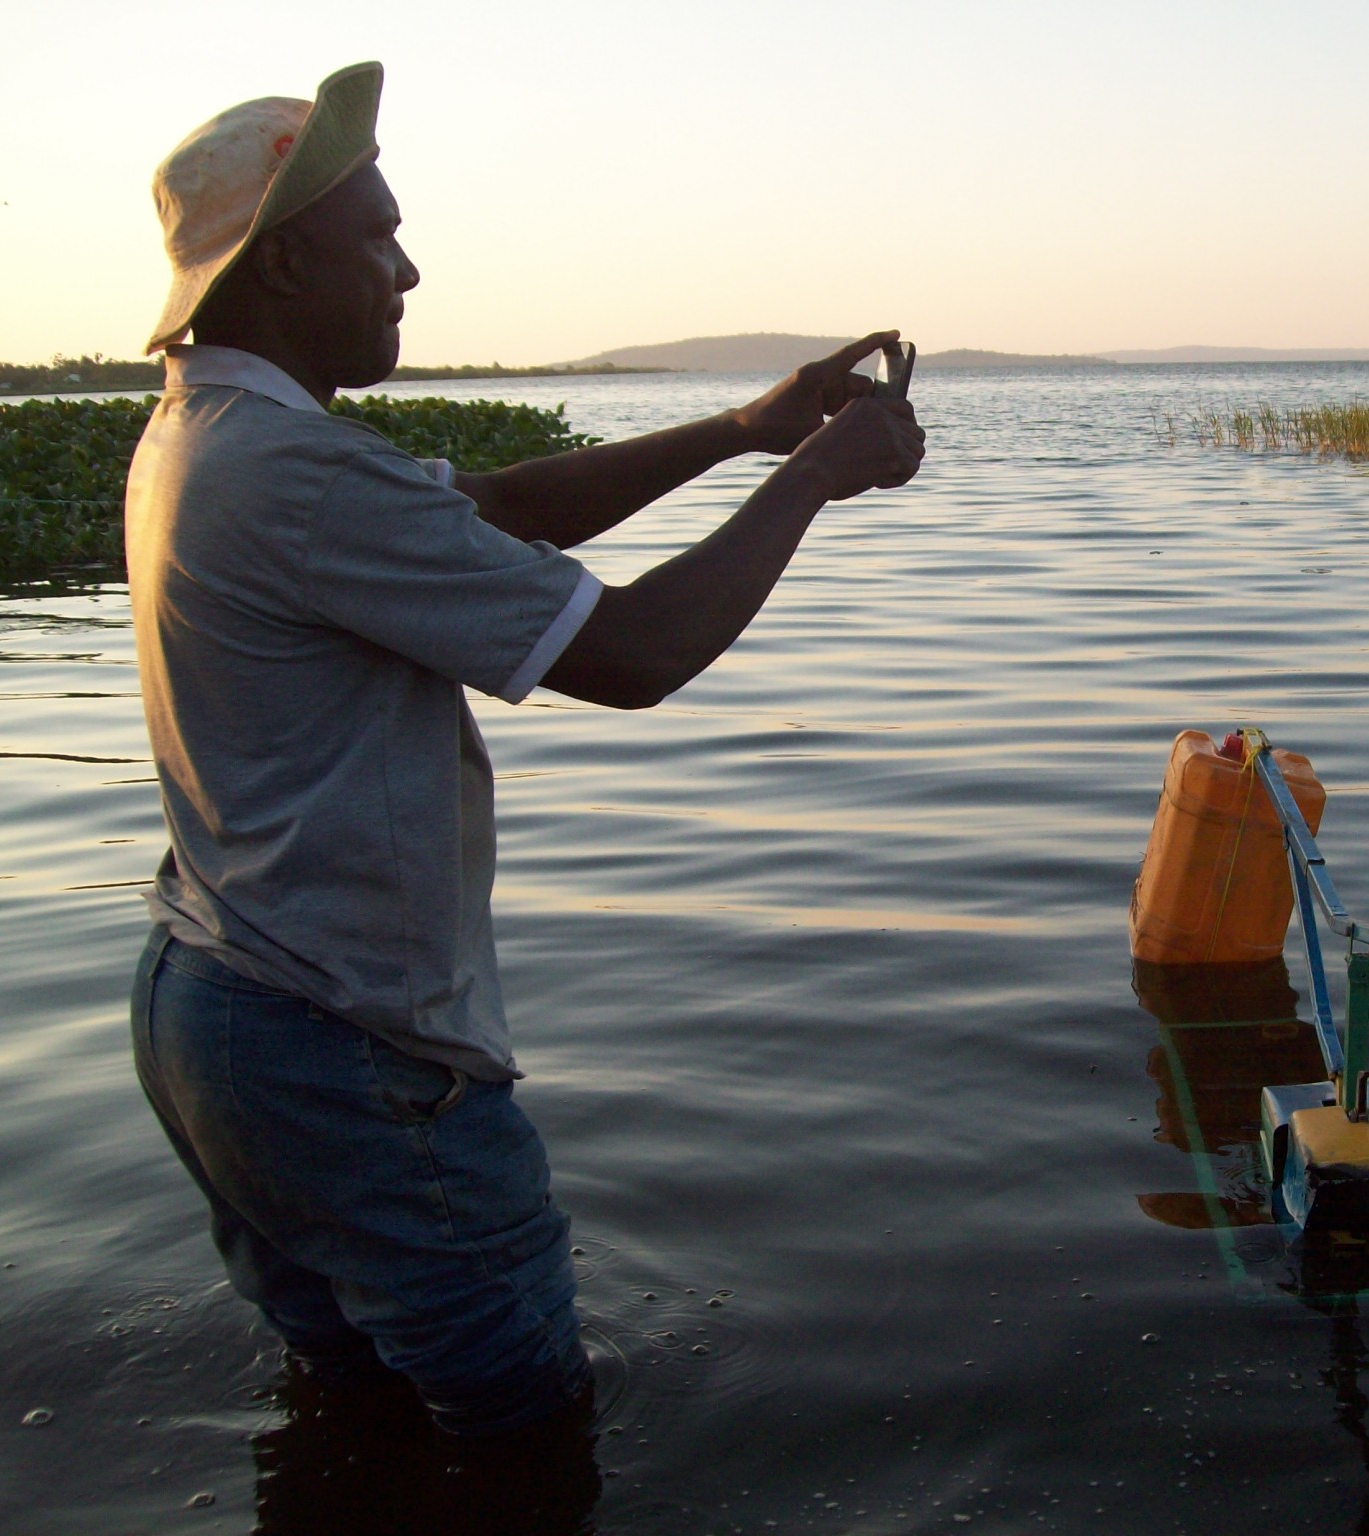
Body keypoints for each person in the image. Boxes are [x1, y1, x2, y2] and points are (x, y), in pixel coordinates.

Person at [124, 61, 924, 1437]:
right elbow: (631, 655)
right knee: (524, 1445)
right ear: (286, 263)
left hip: (215, 1006)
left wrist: (745, 430)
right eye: (378, 236)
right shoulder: (292, 472)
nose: (409, 268)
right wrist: (814, 480)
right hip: (344, 1047)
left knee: (355, 1420)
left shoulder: (216, 436)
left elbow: (495, 505)